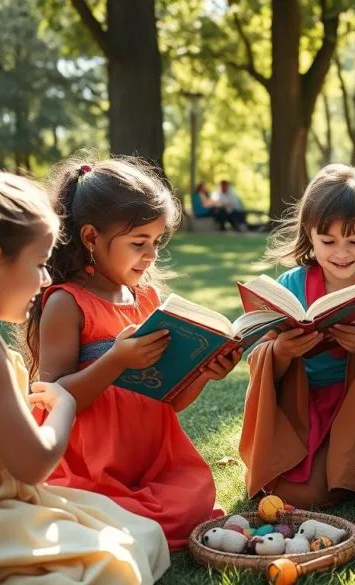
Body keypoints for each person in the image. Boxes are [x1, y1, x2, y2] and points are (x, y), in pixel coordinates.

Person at [0, 145, 169, 585]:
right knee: (118, 568)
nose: (46, 279)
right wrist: (62, 403)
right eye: (40, 264)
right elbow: (34, 464)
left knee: (141, 533)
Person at [24, 156, 240, 550]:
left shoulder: (148, 301)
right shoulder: (67, 302)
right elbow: (51, 397)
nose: (151, 255)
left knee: (193, 497)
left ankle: (137, 516)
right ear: (90, 238)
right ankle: (113, 516)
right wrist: (116, 360)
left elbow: (167, 401)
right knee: (112, 517)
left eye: (157, 242)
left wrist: (204, 373)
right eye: (138, 244)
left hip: (152, 459)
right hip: (93, 467)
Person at [239, 163, 355, 508]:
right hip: (305, 408)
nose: (342, 253)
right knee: (289, 490)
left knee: (330, 487)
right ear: (309, 234)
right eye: (328, 241)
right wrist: (281, 351)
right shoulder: (290, 287)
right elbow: (258, 361)